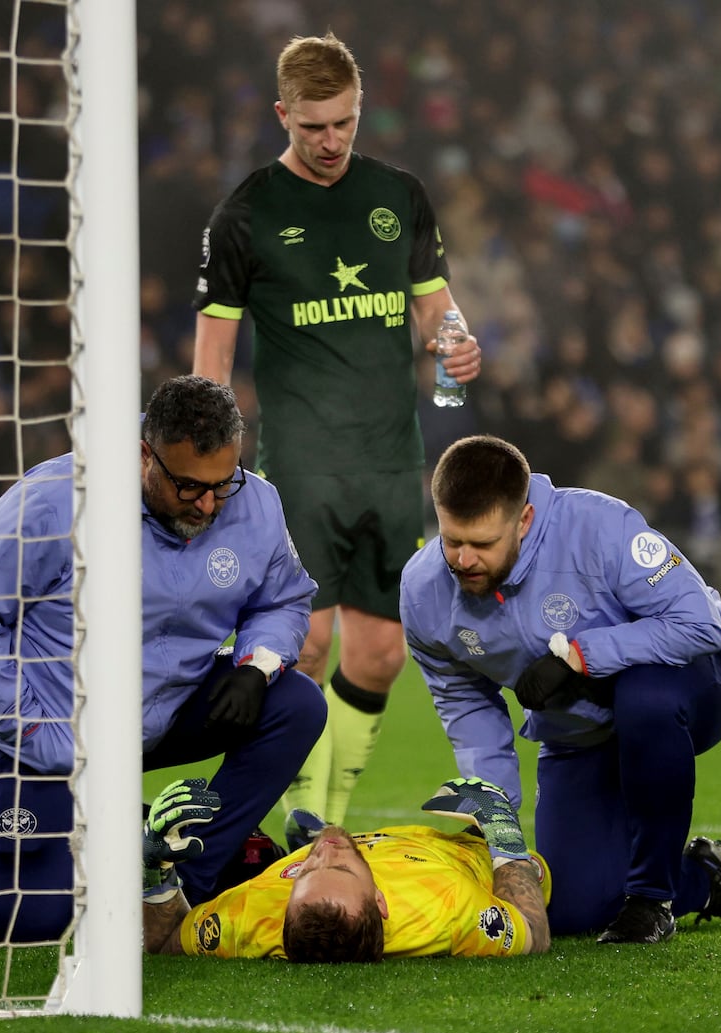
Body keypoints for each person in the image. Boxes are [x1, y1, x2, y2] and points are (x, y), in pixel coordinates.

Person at [191, 32, 482, 834]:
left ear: (362, 111)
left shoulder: (399, 196)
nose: (330, 142)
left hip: (392, 462)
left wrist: (455, 348)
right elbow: (212, 353)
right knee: (306, 649)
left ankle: (329, 822)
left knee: (383, 656)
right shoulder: (246, 214)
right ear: (283, 114)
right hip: (300, 469)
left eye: (345, 123)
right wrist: (214, 468)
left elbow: (434, 307)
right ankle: (302, 821)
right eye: (313, 126)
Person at [0, 375, 326, 943]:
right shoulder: (57, 501)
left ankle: (183, 877)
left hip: (164, 714)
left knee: (296, 705)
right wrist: (33, 727)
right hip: (51, 731)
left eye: (224, 484)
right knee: (32, 922)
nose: (210, 503)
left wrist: (255, 667)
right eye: (190, 487)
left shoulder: (256, 503)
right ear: (146, 455)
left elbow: (284, 599)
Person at [398, 435, 721, 944]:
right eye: (451, 539)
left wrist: (580, 657)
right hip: (578, 730)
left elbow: (698, 624)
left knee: (645, 697)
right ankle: (701, 879)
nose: (462, 559)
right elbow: (468, 712)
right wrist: (503, 839)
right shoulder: (422, 593)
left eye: (482, 544)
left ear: (524, 520)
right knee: (571, 909)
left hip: (697, 680)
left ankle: (651, 900)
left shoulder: (601, 528)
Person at [139, 776, 551, 961]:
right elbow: (533, 931)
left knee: (249, 857)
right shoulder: (446, 908)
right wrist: (502, 834)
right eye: (342, 868)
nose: (328, 853)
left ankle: (291, 848)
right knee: (557, 882)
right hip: (448, 852)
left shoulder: (253, 916)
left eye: (309, 869)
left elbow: (164, 943)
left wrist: (154, 871)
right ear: (380, 901)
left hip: (301, 876)